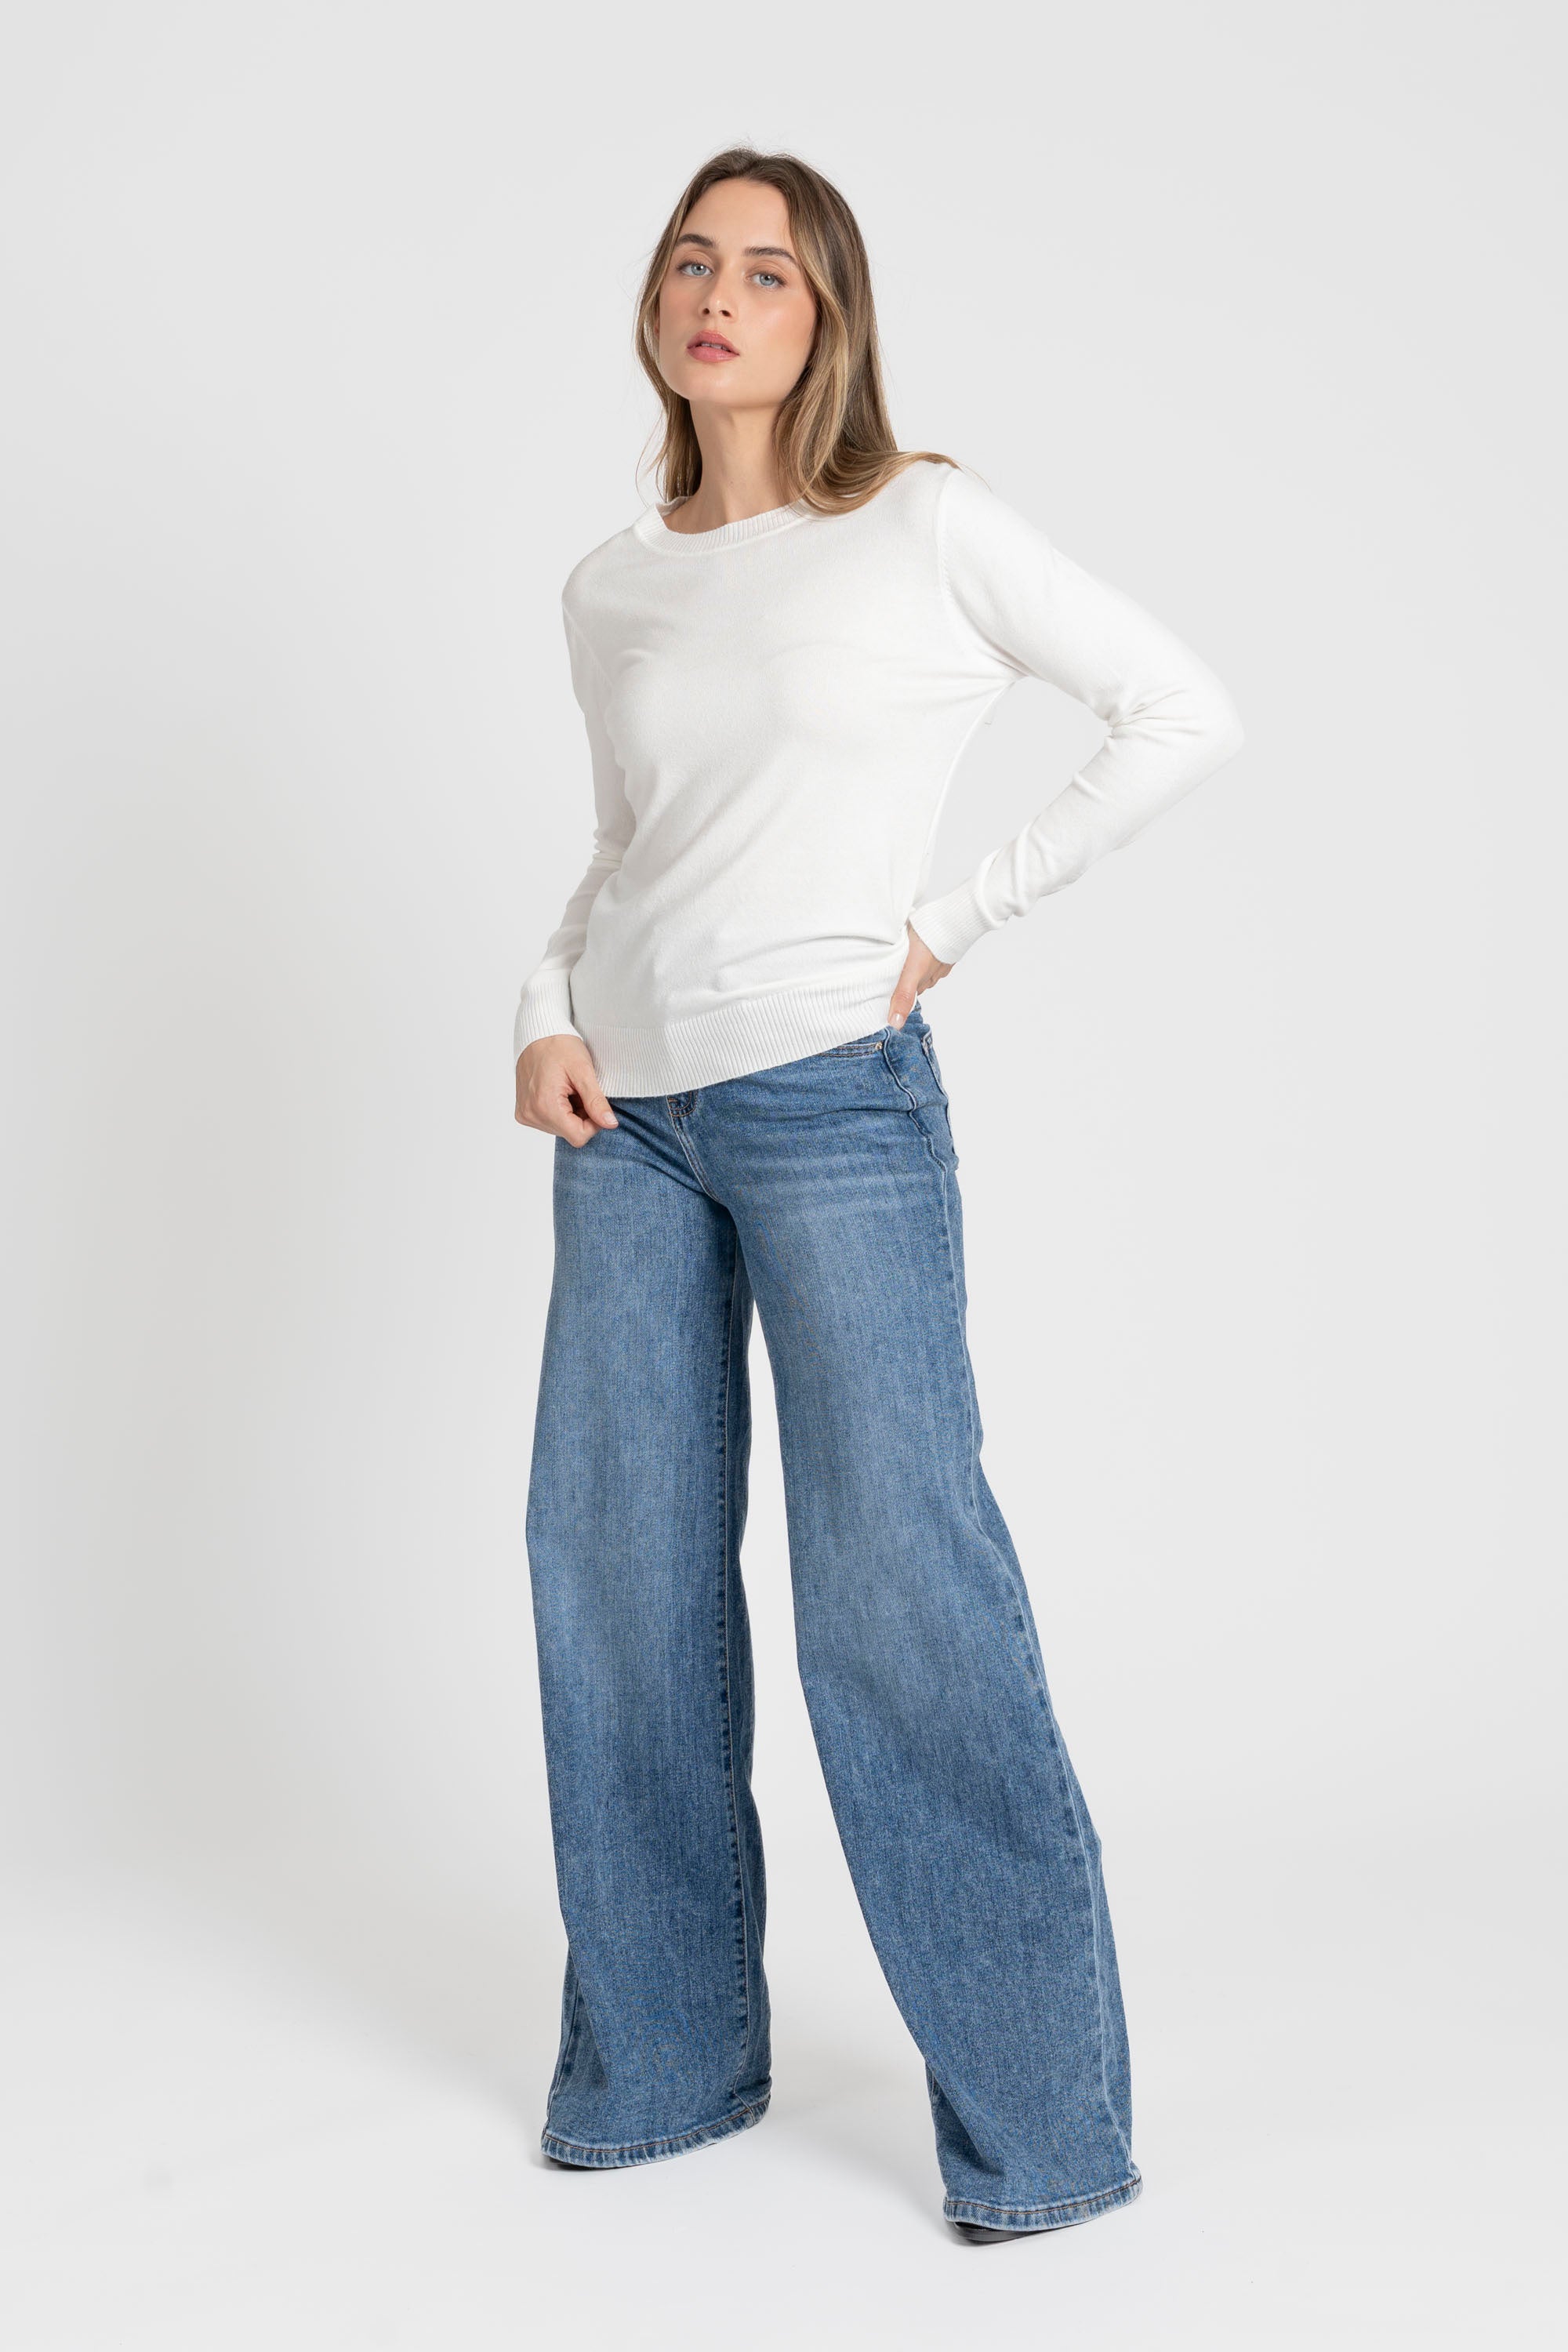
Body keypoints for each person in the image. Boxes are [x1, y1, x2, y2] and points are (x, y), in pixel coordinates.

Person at [513, 146, 1244, 2244]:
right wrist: (543, 1006)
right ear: (653, 308)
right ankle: (663, 2068)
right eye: (691, 262)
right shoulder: (614, 584)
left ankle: (1046, 2137)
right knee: (615, 1584)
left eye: (767, 270)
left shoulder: (920, 523)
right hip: (626, 1127)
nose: (718, 296)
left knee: (899, 1589)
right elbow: (629, 850)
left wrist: (956, 919)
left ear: (828, 313)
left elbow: (1179, 710)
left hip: (834, 1102)